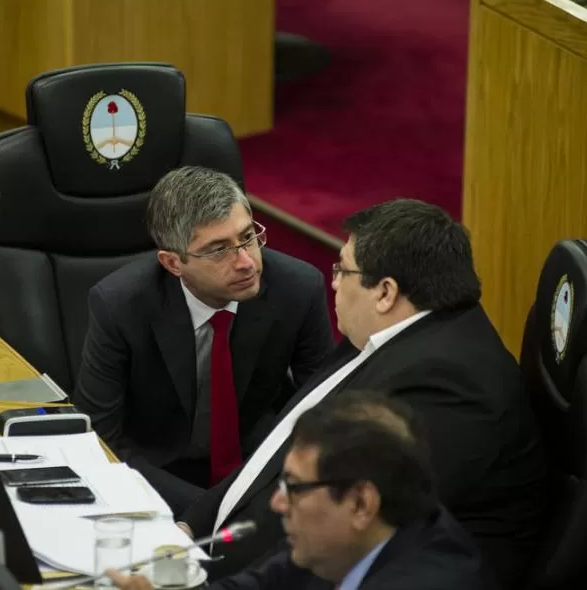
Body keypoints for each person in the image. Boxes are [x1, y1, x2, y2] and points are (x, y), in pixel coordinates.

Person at [178, 198, 548, 589]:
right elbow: (274, 451)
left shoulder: (451, 385)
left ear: (385, 292)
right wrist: (190, 526)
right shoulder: (386, 335)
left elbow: (342, 534)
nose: (333, 281)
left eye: (342, 270)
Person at [73, 167, 334, 515]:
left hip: (255, 468)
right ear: (173, 263)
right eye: (218, 250)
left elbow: (323, 409)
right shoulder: (120, 305)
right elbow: (99, 437)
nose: (245, 262)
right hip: (158, 475)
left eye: (247, 237)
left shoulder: (298, 288)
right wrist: (205, 510)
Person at [106, 392, 488, 590]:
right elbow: (256, 586)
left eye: (294, 487)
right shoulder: (333, 546)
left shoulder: (429, 580)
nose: (277, 502)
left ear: (361, 503)